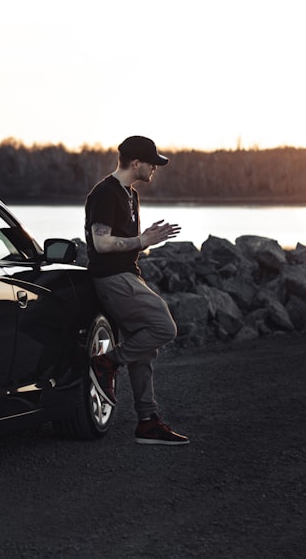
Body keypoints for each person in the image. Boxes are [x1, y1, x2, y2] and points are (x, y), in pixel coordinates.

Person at [84, 135, 190, 446]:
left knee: (142, 348)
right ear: (135, 163)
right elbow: (102, 244)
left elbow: (125, 245)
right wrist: (144, 241)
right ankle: (107, 363)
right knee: (163, 326)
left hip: (128, 275)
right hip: (111, 278)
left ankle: (147, 422)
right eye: (152, 163)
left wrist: (144, 241)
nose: (155, 169)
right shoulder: (104, 194)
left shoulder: (130, 195)